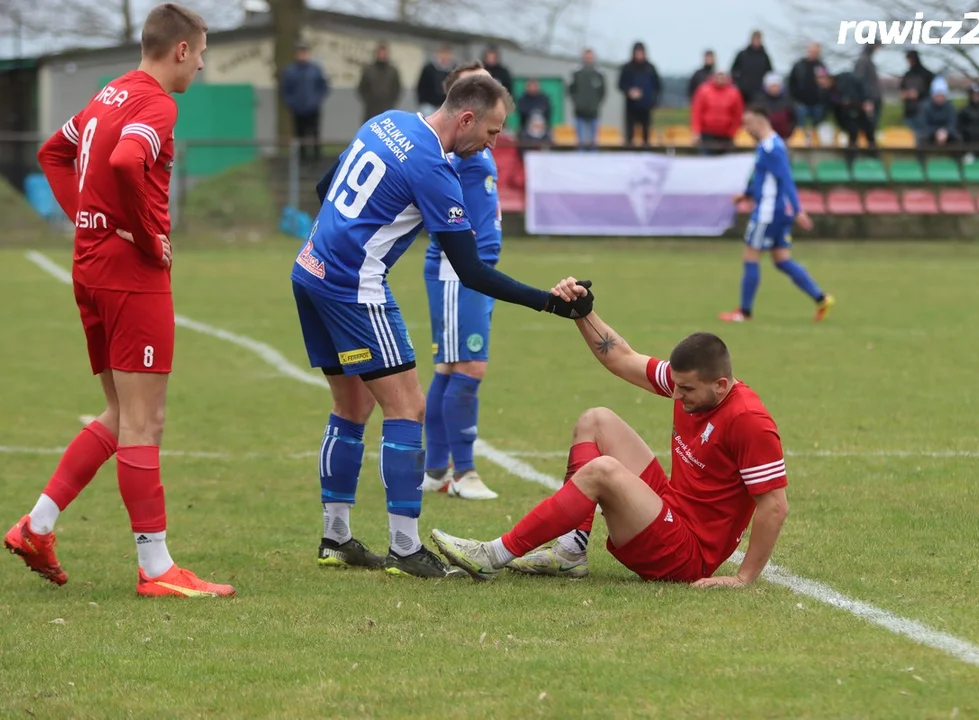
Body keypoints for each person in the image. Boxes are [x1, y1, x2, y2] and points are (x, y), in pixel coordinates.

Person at [292, 74, 594, 577]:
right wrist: (550, 303)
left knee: (352, 403)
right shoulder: (434, 166)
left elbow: (327, 186)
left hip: (310, 268)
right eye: (494, 132)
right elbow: (471, 270)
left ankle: (336, 536)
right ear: (467, 118)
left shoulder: (387, 121)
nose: (494, 143)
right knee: (407, 406)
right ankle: (405, 548)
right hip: (354, 285)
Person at [6, 3, 235, 598]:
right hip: (130, 273)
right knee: (144, 420)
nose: (202, 65)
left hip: (91, 265)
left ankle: (38, 525)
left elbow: (53, 152)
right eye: (202, 52)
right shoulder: (158, 103)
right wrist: (142, 231)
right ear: (180, 50)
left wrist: (87, 220)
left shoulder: (110, 93)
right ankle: (156, 568)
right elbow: (127, 160)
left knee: (117, 413)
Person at [430, 293, 790, 587]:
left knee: (603, 471)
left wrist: (743, 578)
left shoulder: (748, 420)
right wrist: (583, 313)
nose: (676, 395)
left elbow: (774, 505)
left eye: (686, 389)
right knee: (596, 420)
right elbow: (622, 358)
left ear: (721, 385)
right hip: (671, 510)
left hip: (687, 554)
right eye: (676, 385)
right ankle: (572, 550)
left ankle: (492, 555)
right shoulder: (696, 387)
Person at [421, 61, 504, 501]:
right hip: (458, 272)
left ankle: (436, 469)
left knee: (450, 367)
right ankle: (463, 472)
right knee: (469, 367)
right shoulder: (455, 147)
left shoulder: (477, 141)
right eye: (483, 80)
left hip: (474, 271)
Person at [719, 105, 834, 323]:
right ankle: (821, 298)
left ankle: (744, 312)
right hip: (776, 211)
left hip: (767, 212)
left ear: (759, 122)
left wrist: (798, 210)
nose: (746, 128)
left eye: (748, 123)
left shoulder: (773, 147)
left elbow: (786, 179)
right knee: (781, 260)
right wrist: (745, 194)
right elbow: (765, 180)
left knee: (750, 256)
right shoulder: (767, 146)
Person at [282, 42, 329, 162]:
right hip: (298, 110)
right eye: (300, 52)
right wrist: (291, 104)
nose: (303, 55)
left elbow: (323, 86)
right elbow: (285, 90)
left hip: (313, 108)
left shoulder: (316, 69)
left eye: (304, 52)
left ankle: (316, 158)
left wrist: (316, 100)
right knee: (300, 135)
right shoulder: (290, 71)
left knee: (315, 134)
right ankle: (302, 160)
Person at [618, 41, 661, 147]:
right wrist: (629, 92)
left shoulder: (650, 68)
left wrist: (654, 101)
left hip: (646, 107)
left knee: (646, 136)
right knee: (630, 136)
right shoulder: (627, 68)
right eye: (637, 52)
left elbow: (658, 86)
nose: (639, 55)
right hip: (631, 107)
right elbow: (620, 84)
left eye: (641, 52)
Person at [690, 69, 743, 154]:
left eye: (723, 76)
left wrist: (732, 132)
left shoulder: (734, 93)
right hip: (707, 134)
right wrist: (696, 131)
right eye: (718, 75)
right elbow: (697, 112)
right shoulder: (703, 91)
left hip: (726, 136)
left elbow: (737, 114)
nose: (720, 78)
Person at [568, 48, 605, 150]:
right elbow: (571, 91)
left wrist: (595, 104)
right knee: (580, 143)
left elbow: (602, 93)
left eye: (590, 57)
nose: (589, 59)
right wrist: (578, 103)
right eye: (587, 57)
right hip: (579, 114)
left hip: (594, 113)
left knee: (594, 143)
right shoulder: (576, 73)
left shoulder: (599, 74)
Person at [358, 43, 401, 122]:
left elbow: (397, 88)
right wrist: (369, 100)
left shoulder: (392, 71)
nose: (382, 55)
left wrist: (391, 101)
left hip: (387, 108)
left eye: (384, 53)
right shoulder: (369, 70)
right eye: (380, 53)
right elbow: (362, 88)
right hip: (371, 109)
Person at [730, 30, 772, 105]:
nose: (756, 41)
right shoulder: (742, 55)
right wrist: (739, 83)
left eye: (758, 39)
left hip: (759, 92)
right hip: (743, 92)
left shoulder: (764, 56)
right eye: (755, 39)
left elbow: (770, 73)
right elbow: (733, 71)